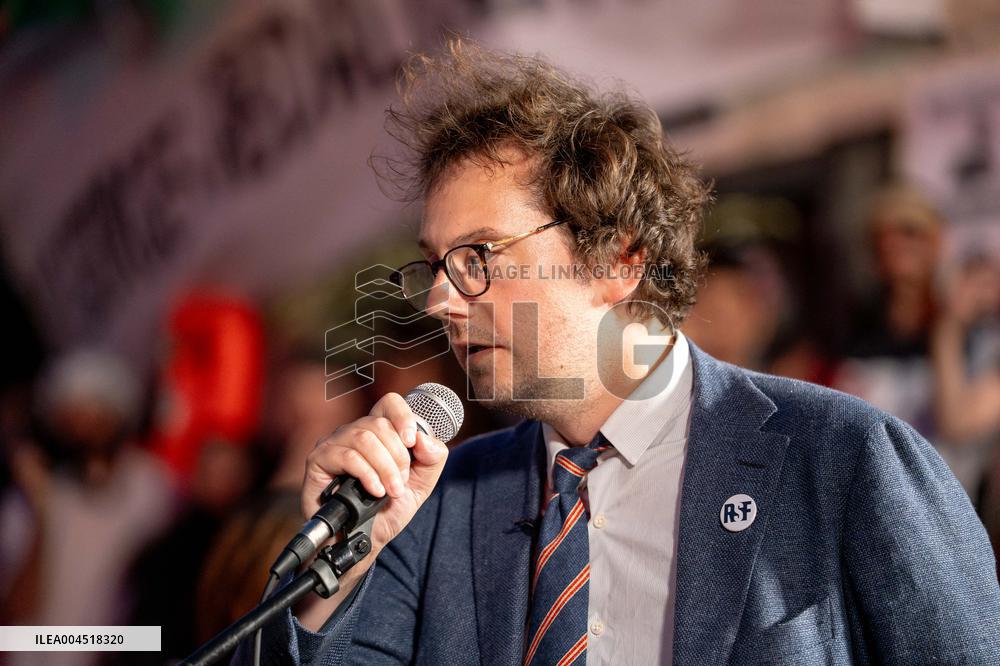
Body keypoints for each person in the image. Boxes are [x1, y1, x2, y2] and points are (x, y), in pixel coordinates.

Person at [250, 41, 1000, 664]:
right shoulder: (437, 502)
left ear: (618, 260)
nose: (440, 299)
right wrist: (337, 570)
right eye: (435, 265)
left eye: (479, 256)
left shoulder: (845, 458)